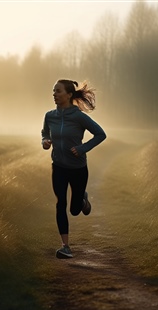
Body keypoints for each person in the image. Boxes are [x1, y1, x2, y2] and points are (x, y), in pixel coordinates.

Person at [41, 79, 106, 259]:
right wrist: (45, 142)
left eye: (58, 91)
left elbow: (101, 134)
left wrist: (83, 148)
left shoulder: (79, 117)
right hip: (59, 167)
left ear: (69, 95)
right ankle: (65, 246)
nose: (54, 94)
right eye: (53, 91)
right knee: (60, 203)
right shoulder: (49, 116)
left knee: (75, 210)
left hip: (78, 168)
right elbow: (45, 133)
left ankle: (82, 199)